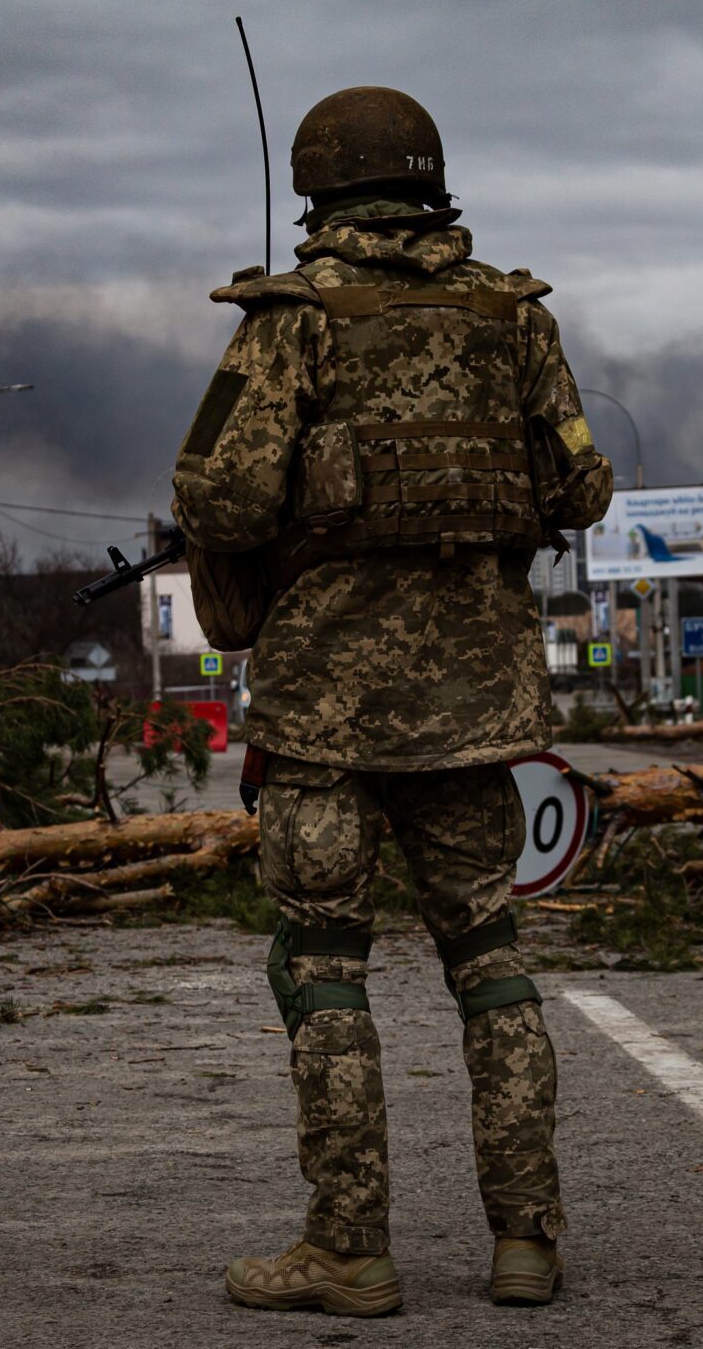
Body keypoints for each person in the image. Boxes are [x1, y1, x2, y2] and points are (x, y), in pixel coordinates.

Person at [170, 85, 613, 1318]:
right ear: (430, 182)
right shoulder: (513, 319)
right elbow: (579, 488)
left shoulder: (293, 320)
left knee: (322, 966)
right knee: (490, 958)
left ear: (319, 188)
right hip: (478, 704)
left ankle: (349, 1247)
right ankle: (526, 1237)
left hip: (323, 711)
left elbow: (219, 498)